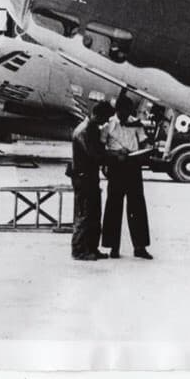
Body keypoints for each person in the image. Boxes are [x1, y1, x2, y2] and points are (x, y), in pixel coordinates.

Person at [101, 96, 152, 259]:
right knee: (113, 207)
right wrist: (115, 154)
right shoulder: (108, 124)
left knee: (137, 206)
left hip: (133, 166)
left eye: (129, 112)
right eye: (123, 112)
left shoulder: (136, 123)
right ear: (117, 110)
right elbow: (101, 148)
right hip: (116, 167)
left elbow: (144, 142)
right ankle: (113, 247)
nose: (126, 115)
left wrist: (146, 148)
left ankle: (140, 247)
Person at [70, 101, 115, 261]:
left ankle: (91, 248)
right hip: (83, 178)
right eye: (105, 118)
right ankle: (79, 250)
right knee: (84, 214)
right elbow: (95, 155)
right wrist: (114, 157)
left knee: (94, 214)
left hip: (90, 177)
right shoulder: (84, 131)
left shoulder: (92, 129)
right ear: (97, 114)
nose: (106, 122)